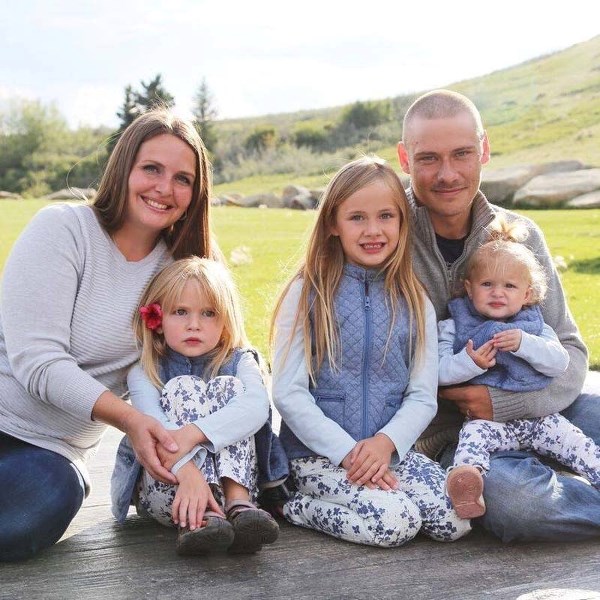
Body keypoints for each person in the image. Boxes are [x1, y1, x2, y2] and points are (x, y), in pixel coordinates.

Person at [0, 108, 218, 561]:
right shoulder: (62, 229)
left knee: (37, 508)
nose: (164, 188)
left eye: (182, 178)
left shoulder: (182, 270)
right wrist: (131, 421)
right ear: (124, 169)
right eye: (151, 169)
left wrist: (193, 461)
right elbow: (37, 360)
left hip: (51, 452)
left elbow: (219, 354)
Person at [397, 88, 600, 542]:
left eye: (462, 154)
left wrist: (509, 404)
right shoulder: (388, 238)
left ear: (484, 149)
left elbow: (569, 350)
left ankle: (557, 470)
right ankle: (545, 483)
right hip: (456, 435)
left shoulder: (521, 235)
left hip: (542, 405)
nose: (447, 174)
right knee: (522, 506)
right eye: (428, 158)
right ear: (405, 159)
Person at [270, 156, 471, 547]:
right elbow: (287, 393)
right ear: (333, 223)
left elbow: (421, 395)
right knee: (396, 523)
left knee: (454, 520)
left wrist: (385, 444)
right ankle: (290, 504)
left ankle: (380, 493)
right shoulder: (308, 293)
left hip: (389, 451)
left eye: (385, 216)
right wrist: (348, 453)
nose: (373, 230)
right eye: (357, 217)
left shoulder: (415, 301)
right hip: (318, 456)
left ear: (402, 222)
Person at [111, 257, 282, 555]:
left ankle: (238, 507)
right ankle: (199, 520)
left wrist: (194, 432)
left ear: (226, 320)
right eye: (180, 312)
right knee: (183, 387)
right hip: (171, 490)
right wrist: (187, 471)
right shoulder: (145, 372)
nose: (194, 324)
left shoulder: (241, 360)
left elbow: (256, 407)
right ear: (157, 318)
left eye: (208, 313)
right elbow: (154, 426)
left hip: (237, 497)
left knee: (232, 389)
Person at [438, 216, 600, 518]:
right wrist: (469, 363)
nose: (498, 293)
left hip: (542, 419)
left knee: (578, 445)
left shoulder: (533, 326)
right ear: (469, 289)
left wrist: (526, 344)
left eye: (509, 286)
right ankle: (466, 484)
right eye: (487, 285)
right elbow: (439, 372)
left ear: (527, 294)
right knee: (472, 446)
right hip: (487, 425)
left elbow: (559, 361)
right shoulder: (454, 325)